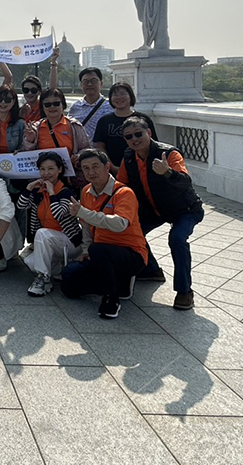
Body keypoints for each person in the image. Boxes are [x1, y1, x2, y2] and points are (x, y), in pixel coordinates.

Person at [116, 117, 204, 310]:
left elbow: (185, 181)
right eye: (129, 136)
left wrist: (167, 172)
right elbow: (122, 186)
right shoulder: (129, 157)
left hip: (185, 209)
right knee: (131, 230)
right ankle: (151, 270)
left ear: (148, 133)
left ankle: (185, 291)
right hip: (155, 209)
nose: (134, 139)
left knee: (177, 239)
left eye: (138, 134)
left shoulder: (169, 153)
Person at [61, 149, 148, 319]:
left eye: (95, 166)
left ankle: (111, 298)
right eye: (86, 168)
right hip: (100, 254)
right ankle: (117, 283)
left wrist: (83, 212)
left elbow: (120, 224)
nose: (91, 172)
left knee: (98, 249)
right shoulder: (86, 191)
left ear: (107, 166)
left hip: (130, 253)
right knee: (68, 281)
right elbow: (86, 226)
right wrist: (85, 251)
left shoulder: (124, 193)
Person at [16, 151, 81, 296]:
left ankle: (44, 279)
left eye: (51, 169)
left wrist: (52, 193)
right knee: (30, 262)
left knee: (42, 234)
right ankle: (56, 269)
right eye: (42, 169)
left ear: (60, 169)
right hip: (49, 241)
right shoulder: (39, 192)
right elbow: (21, 205)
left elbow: (58, 214)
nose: (46, 173)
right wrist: (29, 188)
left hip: (70, 241)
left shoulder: (66, 192)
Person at [93, 82, 157, 173]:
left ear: (130, 96)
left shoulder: (143, 119)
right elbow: (100, 147)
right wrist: (112, 167)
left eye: (122, 94)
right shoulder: (104, 121)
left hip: (141, 169)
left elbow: (153, 144)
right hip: (112, 169)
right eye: (115, 95)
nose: (119, 97)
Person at [68, 68, 113, 141]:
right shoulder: (75, 107)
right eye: (85, 82)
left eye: (93, 81)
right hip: (81, 148)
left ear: (101, 83)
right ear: (81, 85)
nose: (89, 84)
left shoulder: (110, 106)